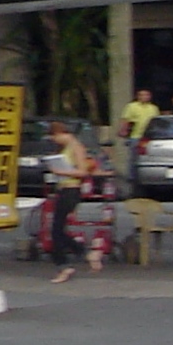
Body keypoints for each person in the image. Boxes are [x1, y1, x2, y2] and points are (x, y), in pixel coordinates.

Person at [45, 116, 96, 283]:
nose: (54, 141)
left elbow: (83, 172)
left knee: (56, 230)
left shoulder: (76, 147)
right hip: (63, 189)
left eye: (54, 137)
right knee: (57, 230)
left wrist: (61, 172)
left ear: (60, 133)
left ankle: (64, 265)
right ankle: (85, 253)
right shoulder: (65, 148)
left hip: (71, 190)